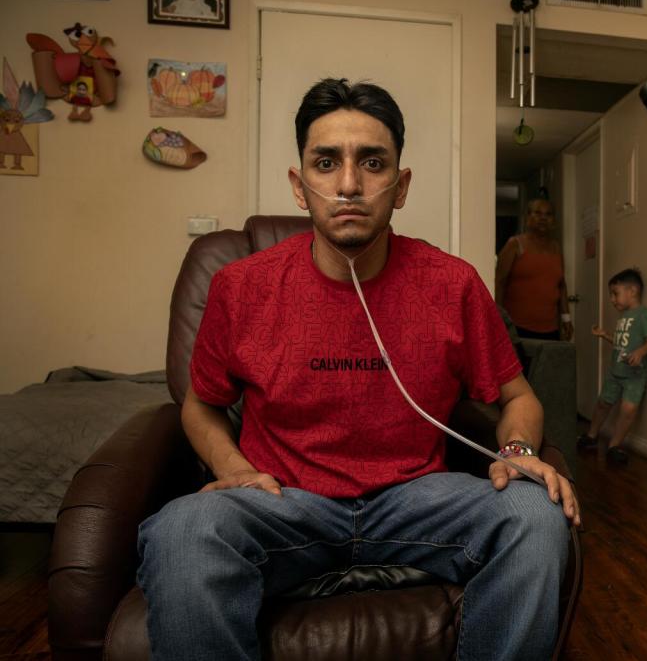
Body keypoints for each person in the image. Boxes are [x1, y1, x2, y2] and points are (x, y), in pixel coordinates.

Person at [136, 78, 580, 661]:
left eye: (372, 163)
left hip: (416, 498)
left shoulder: (453, 284)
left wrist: (520, 453)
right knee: (182, 530)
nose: (349, 185)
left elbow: (519, 397)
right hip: (283, 502)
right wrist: (233, 468)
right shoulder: (240, 286)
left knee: (534, 515)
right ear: (300, 187)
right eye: (327, 163)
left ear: (400, 186)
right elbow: (200, 402)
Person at [577, 268, 647, 465]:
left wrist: (640, 352)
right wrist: (605, 335)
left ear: (632, 291)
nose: (612, 299)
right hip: (615, 372)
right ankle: (592, 435)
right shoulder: (623, 317)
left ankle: (614, 445)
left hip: (634, 375)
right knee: (603, 403)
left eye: (615, 293)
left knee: (628, 409)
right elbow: (622, 343)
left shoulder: (644, 314)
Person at [495, 198, 573, 340]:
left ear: (553, 220)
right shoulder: (515, 244)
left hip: (551, 330)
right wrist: (499, 320)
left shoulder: (556, 248)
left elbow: (561, 285)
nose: (543, 218)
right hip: (517, 328)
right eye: (538, 213)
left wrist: (566, 319)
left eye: (548, 214)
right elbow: (499, 282)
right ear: (527, 217)